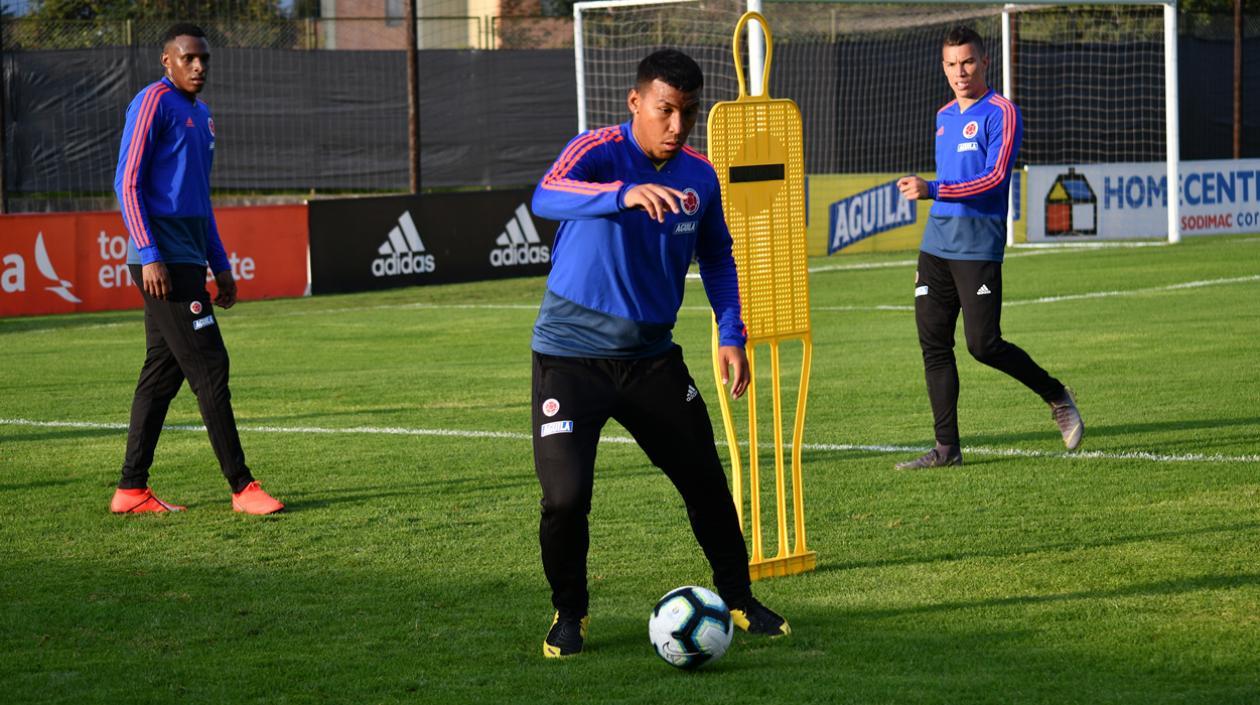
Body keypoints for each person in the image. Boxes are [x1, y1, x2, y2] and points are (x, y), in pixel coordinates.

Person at [529, 49, 789, 658]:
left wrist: (732, 332)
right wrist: (623, 193)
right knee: (565, 499)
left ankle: (740, 598)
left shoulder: (700, 176)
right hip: (569, 359)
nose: (676, 126)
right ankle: (570, 613)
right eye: (665, 110)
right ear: (636, 104)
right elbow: (546, 194)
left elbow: (719, 256)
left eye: (687, 114)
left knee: (703, 478)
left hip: (652, 361)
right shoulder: (595, 150)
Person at [110, 24, 283, 515]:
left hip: (189, 259)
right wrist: (149, 253)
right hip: (162, 263)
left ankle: (130, 489)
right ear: (167, 61)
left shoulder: (203, 116)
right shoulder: (152, 102)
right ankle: (242, 487)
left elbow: (199, 202)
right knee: (209, 364)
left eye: (203, 58)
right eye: (188, 58)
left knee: (161, 375)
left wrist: (221, 266)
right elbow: (127, 182)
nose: (198, 66)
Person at [895, 26, 1084, 470]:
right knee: (933, 344)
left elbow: (993, 179)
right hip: (936, 247)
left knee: (983, 344)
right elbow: (952, 185)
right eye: (951, 64)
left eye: (968, 62)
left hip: (978, 247)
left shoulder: (1002, 112)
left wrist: (933, 188)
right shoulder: (944, 116)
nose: (960, 72)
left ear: (983, 62)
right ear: (943, 67)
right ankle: (947, 449)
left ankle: (1056, 395)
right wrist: (925, 249)